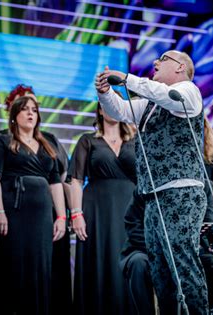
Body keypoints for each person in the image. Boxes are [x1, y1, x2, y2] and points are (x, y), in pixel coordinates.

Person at [96, 50, 209, 314]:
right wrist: (105, 93)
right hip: (154, 197)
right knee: (160, 270)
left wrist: (125, 78)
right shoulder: (151, 102)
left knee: (183, 263)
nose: (156, 62)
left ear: (181, 67)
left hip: (182, 193)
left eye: (164, 59)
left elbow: (160, 93)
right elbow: (121, 110)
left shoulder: (188, 91)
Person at [119, 119, 213, 315]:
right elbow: (133, 223)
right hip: (148, 249)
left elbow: (206, 225)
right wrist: (160, 246)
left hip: (190, 249)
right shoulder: (148, 184)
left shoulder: (202, 184)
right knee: (139, 265)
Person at [0, 84, 72, 314]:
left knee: (40, 266)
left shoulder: (47, 144)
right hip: (13, 212)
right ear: (14, 116)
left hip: (42, 216)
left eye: (34, 110)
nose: (30, 113)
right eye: (25, 109)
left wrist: (62, 217)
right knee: (13, 265)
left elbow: (56, 182)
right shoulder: (3, 140)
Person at [67, 100, 136, 315]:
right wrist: (76, 214)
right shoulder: (88, 141)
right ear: (99, 110)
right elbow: (75, 180)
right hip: (97, 210)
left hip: (131, 210)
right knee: (99, 262)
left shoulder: (136, 141)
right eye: (107, 104)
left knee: (130, 262)